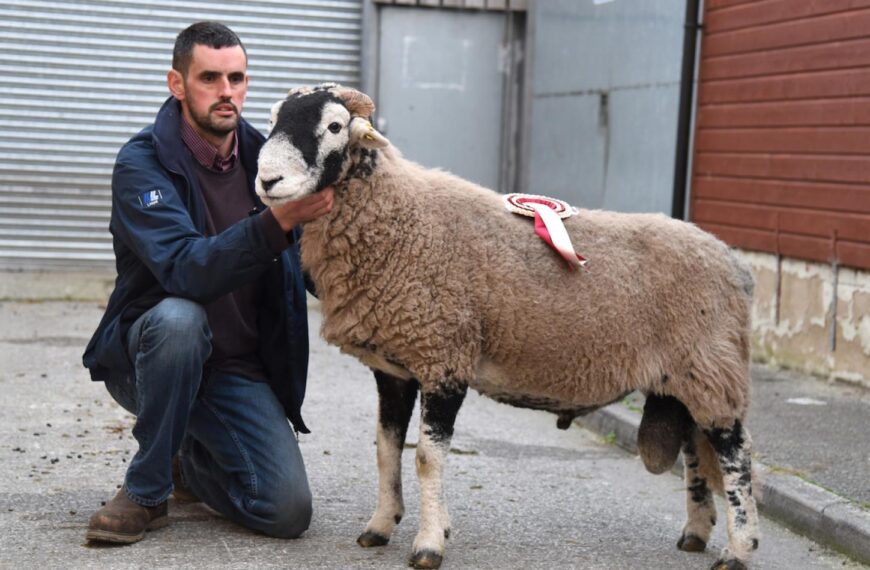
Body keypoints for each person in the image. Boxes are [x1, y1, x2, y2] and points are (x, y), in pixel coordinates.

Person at [82, 21, 333, 544]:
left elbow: (316, 266)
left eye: (236, 78)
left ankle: (186, 461)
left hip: (238, 370)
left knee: (286, 511)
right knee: (180, 318)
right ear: (177, 84)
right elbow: (184, 269)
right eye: (210, 78)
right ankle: (146, 492)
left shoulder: (269, 161)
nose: (226, 92)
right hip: (150, 359)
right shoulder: (141, 164)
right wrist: (279, 221)